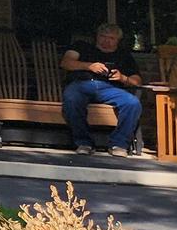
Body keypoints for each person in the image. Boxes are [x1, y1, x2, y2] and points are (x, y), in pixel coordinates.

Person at [60, 22, 147, 156]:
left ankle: (119, 144)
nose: (106, 40)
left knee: (132, 103)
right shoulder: (82, 47)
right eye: (103, 36)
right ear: (97, 36)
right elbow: (66, 63)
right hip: (81, 84)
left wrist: (123, 78)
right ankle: (84, 143)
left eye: (111, 38)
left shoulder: (123, 55)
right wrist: (89, 66)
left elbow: (137, 81)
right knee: (72, 98)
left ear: (118, 40)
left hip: (109, 88)